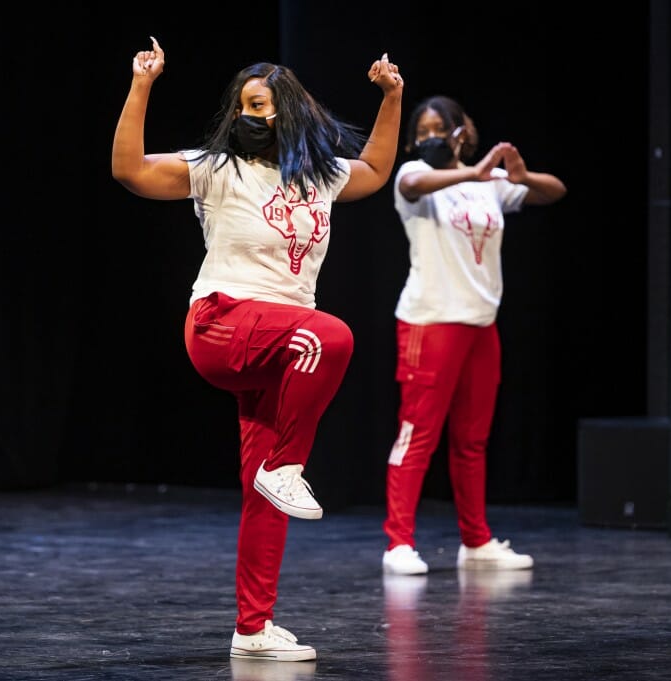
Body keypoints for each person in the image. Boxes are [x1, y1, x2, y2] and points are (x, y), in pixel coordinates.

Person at [111, 37, 404, 661]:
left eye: (264, 105)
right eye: (245, 105)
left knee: (261, 498)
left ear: (290, 112)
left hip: (280, 348)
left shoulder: (320, 176)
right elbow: (129, 171)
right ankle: (288, 466)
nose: (253, 116)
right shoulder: (216, 169)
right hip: (221, 322)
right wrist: (142, 85)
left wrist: (392, 97)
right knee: (333, 334)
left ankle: (252, 628)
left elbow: (377, 172)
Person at [380, 95, 566, 576]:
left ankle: (476, 541)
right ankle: (398, 542)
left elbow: (555, 191)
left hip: (481, 324)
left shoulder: (490, 186)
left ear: (464, 130)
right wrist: (474, 171)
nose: (430, 138)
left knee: (472, 439)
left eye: (440, 128)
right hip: (430, 320)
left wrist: (518, 178)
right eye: (422, 132)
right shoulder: (411, 176)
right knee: (416, 434)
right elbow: (418, 182)